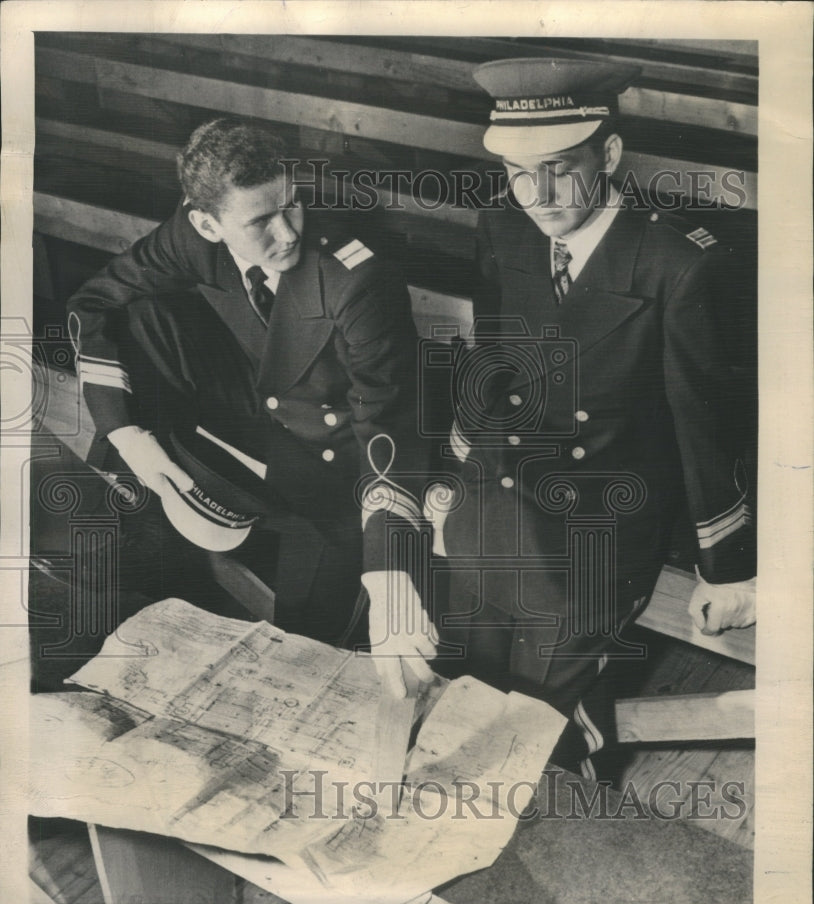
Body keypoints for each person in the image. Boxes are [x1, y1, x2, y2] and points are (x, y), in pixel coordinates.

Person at [429, 58, 757, 777]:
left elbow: (708, 424)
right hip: (498, 503)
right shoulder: (504, 228)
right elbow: (495, 364)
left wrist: (728, 567)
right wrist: (453, 479)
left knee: (537, 733)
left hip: (596, 529)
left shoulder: (678, 264)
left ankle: (570, 829)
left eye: (557, 168)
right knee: (466, 693)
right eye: (517, 172)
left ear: (608, 155)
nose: (537, 195)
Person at [67, 117, 436, 693]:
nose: (287, 232)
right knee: (142, 316)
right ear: (206, 223)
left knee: (309, 648)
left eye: (290, 205)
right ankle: (156, 503)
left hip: (337, 458)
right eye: (260, 220)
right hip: (253, 411)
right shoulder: (189, 236)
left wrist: (391, 570)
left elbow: (386, 423)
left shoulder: (357, 278)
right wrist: (126, 436)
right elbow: (94, 304)